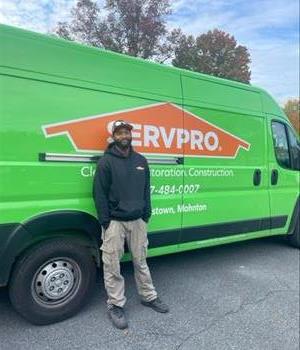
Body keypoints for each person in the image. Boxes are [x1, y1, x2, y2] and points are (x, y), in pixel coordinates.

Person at [93, 120, 169, 329]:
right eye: (120, 133)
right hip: (115, 222)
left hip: (137, 221)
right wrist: (105, 221)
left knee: (141, 260)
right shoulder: (105, 162)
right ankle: (115, 305)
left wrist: (147, 213)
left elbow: (146, 189)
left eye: (127, 132)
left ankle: (148, 296)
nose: (124, 135)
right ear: (114, 136)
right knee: (112, 264)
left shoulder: (141, 161)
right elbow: (99, 194)